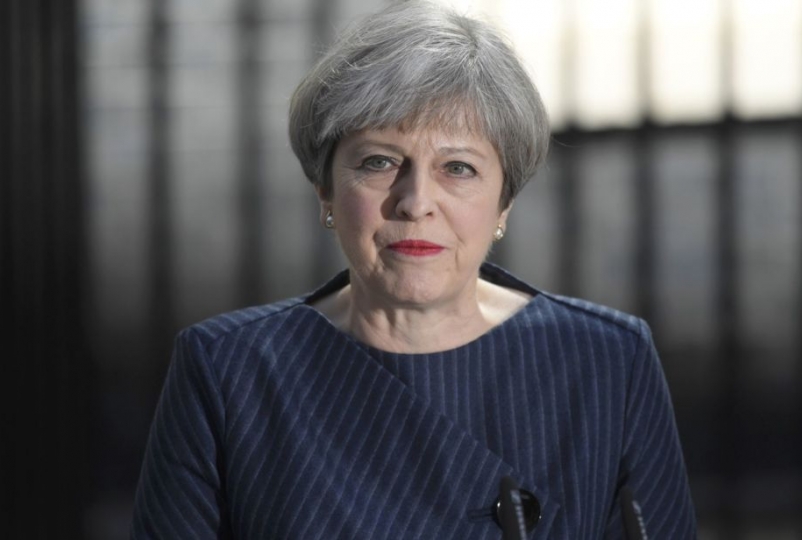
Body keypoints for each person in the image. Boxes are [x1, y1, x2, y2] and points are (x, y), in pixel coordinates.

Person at [131, 2, 696, 538]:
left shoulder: (608, 360)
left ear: (504, 203)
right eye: (379, 162)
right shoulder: (227, 370)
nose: (416, 201)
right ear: (325, 189)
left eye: (458, 167)